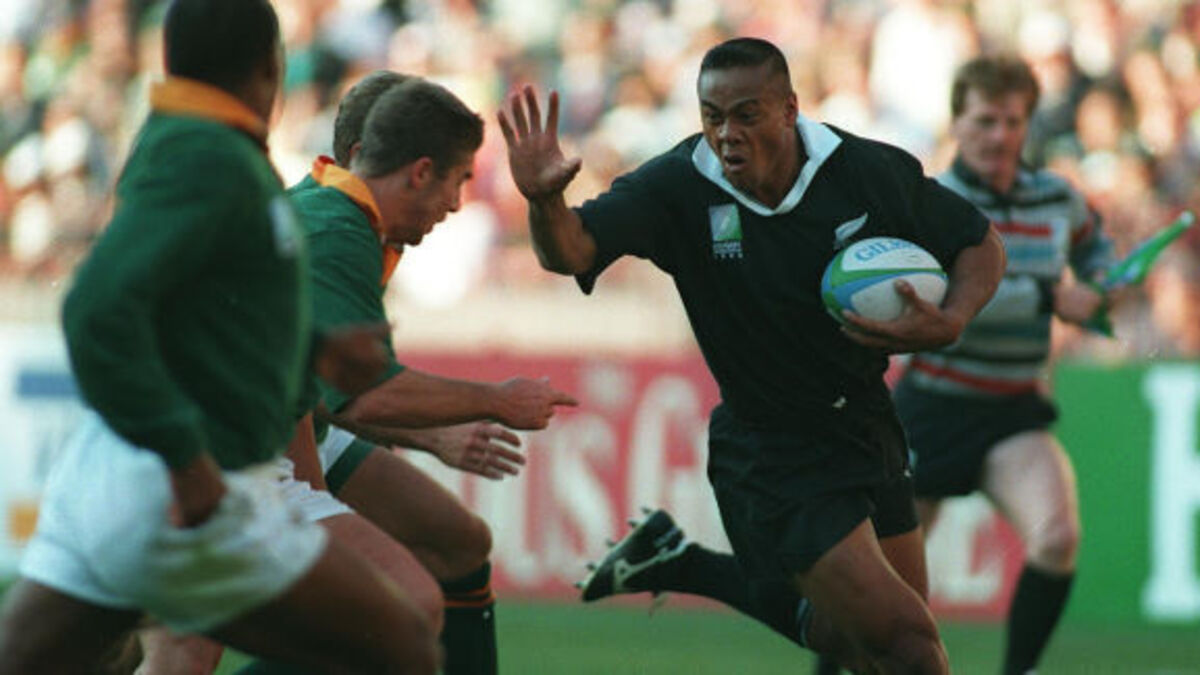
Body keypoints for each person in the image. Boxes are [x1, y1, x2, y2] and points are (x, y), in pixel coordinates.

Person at [499, 37, 1005, 674]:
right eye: (712, 116)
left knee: (872, 646)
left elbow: (980, 243)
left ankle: (687, 565)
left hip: (867, 421)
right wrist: (544, 200)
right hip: (773, 449)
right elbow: (571, 251)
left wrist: (952, 318)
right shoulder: (678, 186)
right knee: (908, 645)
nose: (726, 134)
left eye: (746, 114)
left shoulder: (864, 171)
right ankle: (690, 564)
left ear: (789, 109)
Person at [0, 1, 440, 673]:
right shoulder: (210, 158)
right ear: (270, 67)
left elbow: (201, 315)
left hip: (105, 480)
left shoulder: (189, 142)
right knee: (404, 644)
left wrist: (315, 352)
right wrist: (187, 461)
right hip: (185, 493)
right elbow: (94, 310)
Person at [135, 72, 577, 675]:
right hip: (217, 455)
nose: (456, 204)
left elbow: (308, 393)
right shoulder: (335, 232)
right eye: (457, 181)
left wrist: (409, 444)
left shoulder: (335, 219)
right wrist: (497, 399)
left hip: (226, 439)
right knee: (396, 613)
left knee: (449, 549)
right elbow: (366, 397)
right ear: (418, 171)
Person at [888, 54, 1112, 675]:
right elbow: (948, 298)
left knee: (1057, 539)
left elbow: (1096, 245)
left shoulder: (1057, 197)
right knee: (880, 586)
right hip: (933, 406)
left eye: (1013, 122)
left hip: (1013, 405)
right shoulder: (933, 201)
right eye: (985, 120)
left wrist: (1102, 284)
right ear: (957, 123)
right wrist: (1051, 297)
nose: (999, 136)